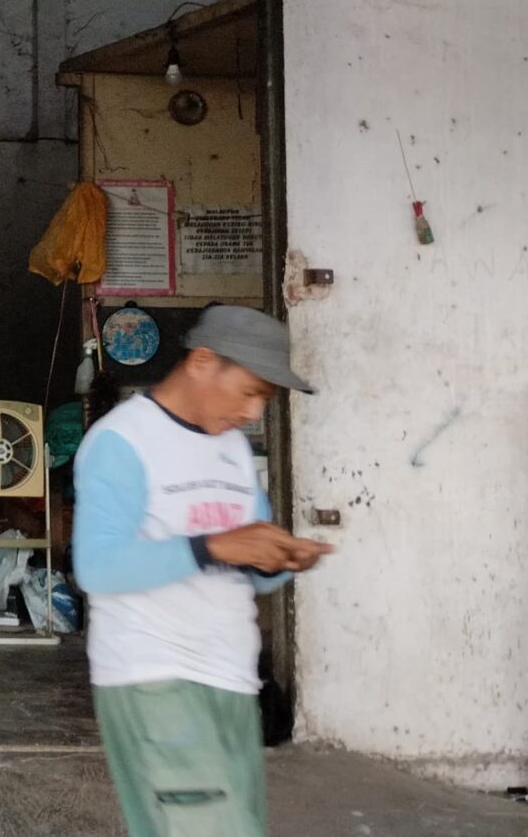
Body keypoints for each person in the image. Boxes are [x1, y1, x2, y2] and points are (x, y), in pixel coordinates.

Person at [73, 305, 336, 836]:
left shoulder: (233, 451)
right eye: (249, 391)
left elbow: (247, 562)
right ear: (202, 362)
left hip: (230, 681)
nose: (254, 412)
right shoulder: (122, 441)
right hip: (155, 679)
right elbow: (96, 567)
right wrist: (215, 546)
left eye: (265, 398)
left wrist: (280, 560)